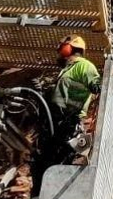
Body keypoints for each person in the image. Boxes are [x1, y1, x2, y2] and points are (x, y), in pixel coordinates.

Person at [30, 36, 103, 191]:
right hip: (55, 123)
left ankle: (58, 197)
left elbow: (97, 86)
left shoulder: (85, 66)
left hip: (69, 122)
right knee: (41, 161)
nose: (59, 52)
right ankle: (38, 197)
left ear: (70, 49)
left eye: (62, 48)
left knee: (62, 162)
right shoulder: (66, 70)